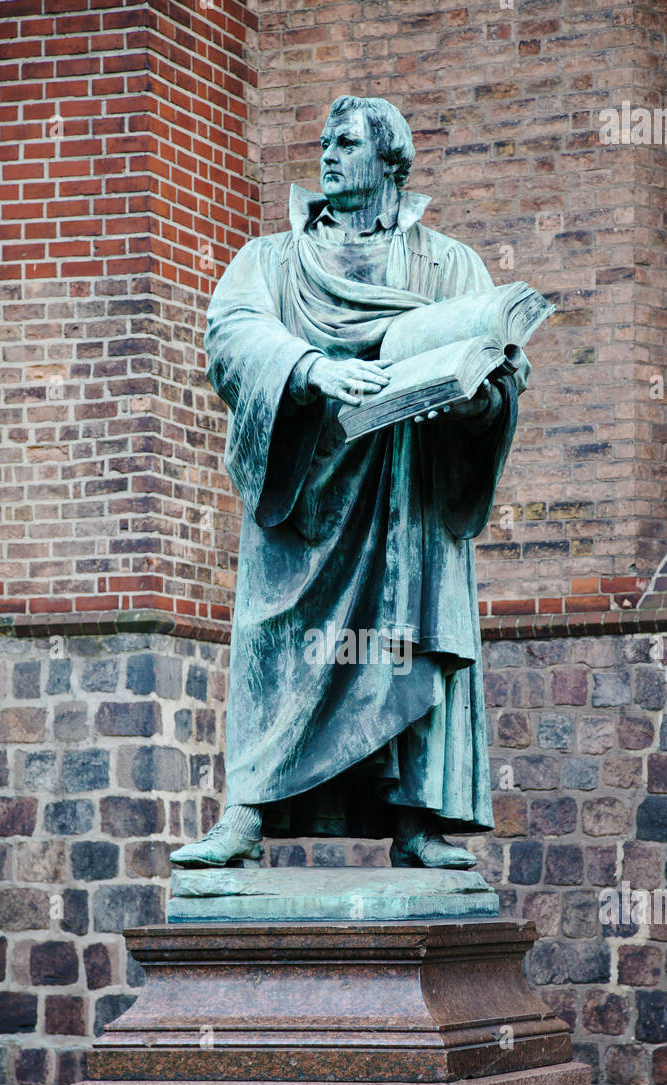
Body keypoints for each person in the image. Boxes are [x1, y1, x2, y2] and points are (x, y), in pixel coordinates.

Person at [171, 95, 525, 870]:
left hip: (407, 491)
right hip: (307, 498)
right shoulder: (272, 261)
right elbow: (230, 335)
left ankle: (416, 822)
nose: (328, 156)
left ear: (390, 161)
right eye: (324, 143)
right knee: (276, 643)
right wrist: (310, 369)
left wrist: (481, 394)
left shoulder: (449, 264)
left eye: (347, 144)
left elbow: (496, 366)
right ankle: (246, 812)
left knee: (404, 641)